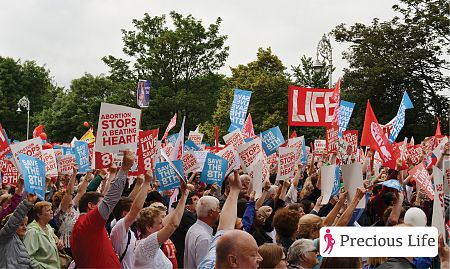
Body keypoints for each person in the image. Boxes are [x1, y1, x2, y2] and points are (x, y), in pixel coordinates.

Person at [70, 152, 134, 268]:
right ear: (91, 206)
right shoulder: (88, 222)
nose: (106, 206)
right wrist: (124, 168)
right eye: (100, 203)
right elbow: (110, 199)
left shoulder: (85, 222)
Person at [198, 170, 263, 269]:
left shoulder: (209, 264)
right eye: (253, 254)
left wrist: (234, 190)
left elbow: (224, 229)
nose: (260, 258)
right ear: (232, 260)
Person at [134, 180, 189, 269]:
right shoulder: (146, 245)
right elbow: (172, 225)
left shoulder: (150, 244)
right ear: (149, 227)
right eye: (160, 223)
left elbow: (169, 221)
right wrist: (184, 196)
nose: (163, 225)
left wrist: (183, 196)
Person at [110, 172, 151, 269]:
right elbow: (135, 207)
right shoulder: (118, 227)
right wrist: (146, 183)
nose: (139, 211)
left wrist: (138, 183)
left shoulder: (125, 228)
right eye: (131, 211)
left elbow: (127, 203)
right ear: (125, 214)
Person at [0, 192, 37, 269]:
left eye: (26, 224)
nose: (25, 227)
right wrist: (27, 203)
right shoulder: (5, 237)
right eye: (21, 224)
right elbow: (15, 219)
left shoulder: (21, 242)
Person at [24, 201, 63, 269]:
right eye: (48, 210)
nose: (51, 212)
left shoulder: (48, 227)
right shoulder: (32, 232)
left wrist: (59, 244)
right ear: (39, 215)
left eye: (51, 209)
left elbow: (56, 242)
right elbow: (27, 258)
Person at [184, 195, 220, 269]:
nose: (219, 212)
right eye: (218, 209)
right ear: (211, 213)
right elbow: (204, 266)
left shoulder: (194, 228)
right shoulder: (204, 238)